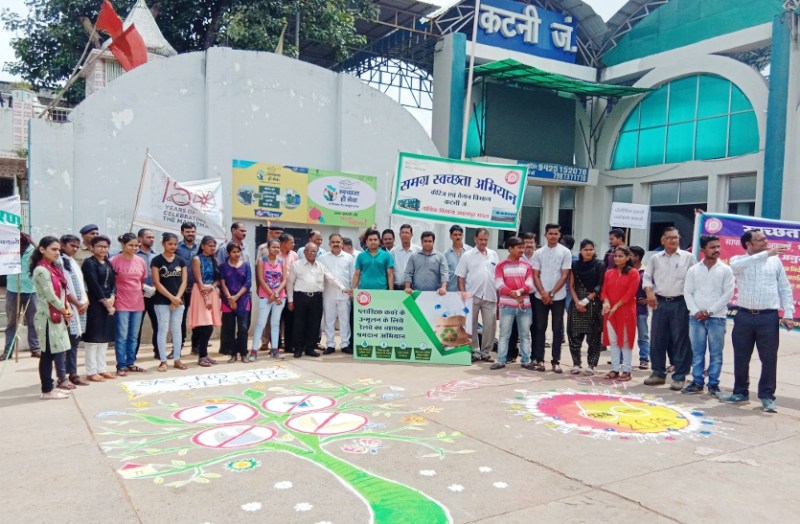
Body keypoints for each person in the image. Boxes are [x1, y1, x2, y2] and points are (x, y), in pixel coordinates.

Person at [721, 229, 794, 413]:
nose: (766, 242)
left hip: (768, 317)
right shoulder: (738, 260)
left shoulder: (775, 261)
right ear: (748, 244)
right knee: (741, 357)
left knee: (768, 359)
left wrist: (788, 313)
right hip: (744, 316)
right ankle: (740, 392)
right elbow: (735, 268)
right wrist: (765, 254)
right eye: (761, 240)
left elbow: (784, 288)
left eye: (765, 239)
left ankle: (767, 396)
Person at [642, 227, 696, 390]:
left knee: (680, 340)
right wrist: (649, 292)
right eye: (670, 237)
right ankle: (658, 373)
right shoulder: (655, 258)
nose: (673, 240)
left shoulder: (688, 258)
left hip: (681, 303)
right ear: (663, 240)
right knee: (657, 339)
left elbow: (695, 279)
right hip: (660, 303)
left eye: (676, 237)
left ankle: (679, 376)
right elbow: (646, 277)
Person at [682, 235, 734, 396]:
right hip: (696, 318)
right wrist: (696, 311)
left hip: (717, 318)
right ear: (703, 250)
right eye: (712, 247)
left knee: (716, 353)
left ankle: (713, 384)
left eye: (718, 247)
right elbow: (687, 292)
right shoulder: (694, 270)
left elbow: (728, 294)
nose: (717, 250)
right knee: (697, 352)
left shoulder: (726, 270)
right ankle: (697, 382)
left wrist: (709, 311)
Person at [287, 243, 351, 358]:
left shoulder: (320, 266)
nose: (312, 253)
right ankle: (298, 349)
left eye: (315, 251)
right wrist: (290, 300)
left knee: (314, 324)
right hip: (300, 297)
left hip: (316, 298)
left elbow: (331, 279)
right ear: (305, 252)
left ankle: (310, 348)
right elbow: (290, 283)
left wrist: (343, 288)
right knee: (299, 324)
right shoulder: (296, 265)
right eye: (310, 251)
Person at [30, 237, 73, 399]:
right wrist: (65, 310)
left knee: (54, 353)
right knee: (47, 354)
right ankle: (47, 390)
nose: (57, 252)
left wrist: (66, 308)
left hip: (57, 314)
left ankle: (50, 388)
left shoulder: (53, 268)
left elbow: (61, 293)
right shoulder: (41, 270)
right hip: (47, 317)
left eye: (58, 250)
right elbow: (50, 296)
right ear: (42, 249)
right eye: (53, 249)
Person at [531, 224, 572, 373]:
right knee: (540, 328)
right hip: (540, 296)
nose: (553, 236)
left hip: (558, 297)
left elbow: (565, 275)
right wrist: (543, 292)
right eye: (550, 233)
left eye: (556, 234)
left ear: (559, 235)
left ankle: (556, 361)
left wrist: (552, 293)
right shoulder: (538, 253)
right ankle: (540, 360)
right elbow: (535, 274)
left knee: (557, 329)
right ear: (545, 235)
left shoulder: (565, 252)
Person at [490, 237, 533, 370]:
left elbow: (529, 284)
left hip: (524, 306)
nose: (522, 250)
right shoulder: (501, 265)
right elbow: (498, 283)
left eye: (523, 247)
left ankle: (526, 361)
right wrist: (513, 293)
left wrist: (518, 292)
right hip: (507, 305)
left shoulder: (527, 266)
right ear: (510, 248)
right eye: (519, 247)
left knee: (525, 334)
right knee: (504, 334)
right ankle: (501, 360)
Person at [456, 228, 498, 363]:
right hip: (472, 296)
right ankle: (474, 351)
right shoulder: (467, 255)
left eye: (485, 240)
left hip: (490, 295)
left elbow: (497, 276)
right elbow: (460, 277)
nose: (483, 242)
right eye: (480, 239)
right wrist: (464, 294)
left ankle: (486, 352)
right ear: (475, 239)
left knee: (490, 325)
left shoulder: (493, 254)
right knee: (471, 325)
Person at [110, 233, 147, 376]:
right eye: (131, 245)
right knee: (122, 336)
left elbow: (141, 280)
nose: (134, 248)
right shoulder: (114, 260)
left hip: (137, 302)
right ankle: (121, 365)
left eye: (137, 245)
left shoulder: (141, 261)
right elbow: (110, 282)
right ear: (123, 245)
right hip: (121, 302)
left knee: (133, 336)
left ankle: (131, 362)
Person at [601, 246, 640, 381]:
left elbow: (630, 294)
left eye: (621, 256)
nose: (617, 258)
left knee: (625, 341)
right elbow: (604, 291)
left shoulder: (633, 273)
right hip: (610, 312)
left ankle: (627, 371)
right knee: (613, 341)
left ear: (627, 257)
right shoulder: (609, 273)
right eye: (616, 256)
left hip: (625, 311)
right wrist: (606, 302)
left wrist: (616, 306)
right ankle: (615, 369)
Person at [82, 235, 117, 382]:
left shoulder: (108, 263)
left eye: (106, 246)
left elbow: (113, 283)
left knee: (103, 339)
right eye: (100, 246)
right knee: (93, 340)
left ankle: (101, 369)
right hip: (95, 304)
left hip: (109, 304)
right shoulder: (89, 263)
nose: (103, 249)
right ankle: (91, 371)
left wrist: (113, 297)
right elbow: (94, 285)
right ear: (92, 247)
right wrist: (106, 303)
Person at [567, 239, 605, 375]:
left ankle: (592, 365)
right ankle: (576, 364)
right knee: (574, 335)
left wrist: (586, 300)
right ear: (580, 251)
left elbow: (600, 285)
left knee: (594, 336)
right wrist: (577, 302)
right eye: (586, 250)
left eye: (591, 249)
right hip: (576, 302)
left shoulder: (599, 265)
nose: (588, 252)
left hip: (593, 302)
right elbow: (571, 286)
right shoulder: (575, 265)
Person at [152, 233, 188, 372]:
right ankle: (163, 361)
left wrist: (177, 298)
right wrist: (171, 298)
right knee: (162, 329)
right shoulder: (157, 261)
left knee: (177, 330)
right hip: (161, 301)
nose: (173, 246)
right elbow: (157, 283)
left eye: (175, 244)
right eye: (170, 244)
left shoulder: (181, 261)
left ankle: (177, 359)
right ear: (163, 244)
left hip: (179, 301)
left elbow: (184, 281)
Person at [57, 235, 89, 386]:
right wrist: (76, 303)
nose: (75, 249)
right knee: (65, 343)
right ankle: (62, 375)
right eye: (72, 246)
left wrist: (85, 301)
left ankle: (73, 373)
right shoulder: (59, 262)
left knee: (74, 342)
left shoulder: (72, 261)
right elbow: (64, 288)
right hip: (68, 307)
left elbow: (81, 285)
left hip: (79, 307)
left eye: (77, 246)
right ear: (63, 245)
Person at [3, 232, 40, 359]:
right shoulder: (7, 249)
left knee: (32, 322)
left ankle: (35, 348)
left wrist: (32, 241)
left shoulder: (33, 251)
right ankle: (8, 351)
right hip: (13, 289)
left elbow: (43, 255)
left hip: (31, 290)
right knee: (11, 323)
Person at [189, 236, 222, 367]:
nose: (212, 248)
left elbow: (218, 279)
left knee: (209, 325)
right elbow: (198, 280)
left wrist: (212, 287)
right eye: (210, 245)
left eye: (214, 246)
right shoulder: (197, 259)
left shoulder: (215, 260)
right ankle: (201, 356)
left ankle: (204, 355)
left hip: (211, 291)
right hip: (200, 292)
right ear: (202, 246)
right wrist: (206, 297)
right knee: (206, 325)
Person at [250, 239, 287, 361]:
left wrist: (276, 294)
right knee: (261, 323)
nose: (276, 249)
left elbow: (284, 280)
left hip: (279, 297)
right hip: (265, 296)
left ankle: (275, 349)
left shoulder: (281, 261)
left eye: (278, 247)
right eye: (273, 247)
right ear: (268, 248)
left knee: (275, 323)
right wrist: (271, 294)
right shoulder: (262, 260)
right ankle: (254, 351)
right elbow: (261, 279)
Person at [319, 234, 354, 354]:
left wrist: (353, 291)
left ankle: (345, 344)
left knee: (345, 321)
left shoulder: (349, 258)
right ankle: (330, 344)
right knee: (329, 320)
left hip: (345, 294)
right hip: (328, 294)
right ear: (329, 244)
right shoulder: (323, 258)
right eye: (333, 242)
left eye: (338, 242)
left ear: (342, 243)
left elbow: (353, 275)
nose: (336, 244)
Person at [220, 243, 252, 362]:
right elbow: (222, 283)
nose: (236, 254)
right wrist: (230, 298)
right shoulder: (223, 266)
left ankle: (244, 353)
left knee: (243, 329)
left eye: (238, 252)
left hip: (243, 300)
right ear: (228, 253)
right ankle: (233, 354)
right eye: (233, 252)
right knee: (230, 329)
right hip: (227, 301)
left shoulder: (246, 265)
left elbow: (248, 283)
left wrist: (236, 297)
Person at [134, 228, 159, 358]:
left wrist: (155, 287)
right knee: (136, 326)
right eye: (148, 237)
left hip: (155, 294)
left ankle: (159, 352)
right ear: (140, 239)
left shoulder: (157, 255)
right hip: (138, 295)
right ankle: (133, 354)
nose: (151, 240)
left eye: (153, 237)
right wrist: (143, 287)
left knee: (158, 324)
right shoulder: (134, 255)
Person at [176, 222, 199, 355]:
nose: (190, 234)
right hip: (181, 289)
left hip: (197, 288)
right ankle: (178, 346)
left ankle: (196, 346)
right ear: (182, 232)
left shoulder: (200, 248)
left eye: (192, 231)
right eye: (188, 231)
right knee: (180, 319)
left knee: (197, 318)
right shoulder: (177, 248)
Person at [629, 246, 650, 370]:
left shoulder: (646, 272)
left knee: (643, 335)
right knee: (625, 335)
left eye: (630, 255)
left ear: (637, 257)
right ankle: (621, 358)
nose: (628, 257)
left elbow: (654, 287)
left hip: (641, 309)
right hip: (627, 309)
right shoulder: (627, 270)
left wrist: (648, 299)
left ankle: (644, 359)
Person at [279, 233, 299, 353]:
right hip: (277, 292)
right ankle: (275, 345)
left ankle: (289, 345)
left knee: (290, 319)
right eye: (291, 242)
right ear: (284, 243)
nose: (294, 244)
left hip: (291, 291)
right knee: (276, 319)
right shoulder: (276, 254)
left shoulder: (294, 255)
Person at [390, 224, 420, 290]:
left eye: (407, 233)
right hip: (397, 286)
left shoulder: (418, 250)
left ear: (411, 235)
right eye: (402, 233)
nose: (404, 235)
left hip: (413, 287)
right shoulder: (393, 251)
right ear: (399, 235)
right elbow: (390, 271)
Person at [444, 225, 471, 292]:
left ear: (463, 235)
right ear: (450, 236)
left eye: (460, 234)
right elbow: (444, 273)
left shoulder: (470, 251)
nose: (458, 237)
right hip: (451, 291)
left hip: (467, 290)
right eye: (455, 235)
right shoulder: (446, 254)